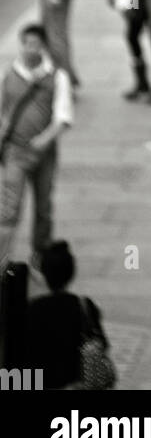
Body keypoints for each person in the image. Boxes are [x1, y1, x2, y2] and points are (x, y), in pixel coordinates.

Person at [0, 24, 73, 270]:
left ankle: (40, 258)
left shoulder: (56, 77)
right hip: (15, 152)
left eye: (36, 44)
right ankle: (2, 260)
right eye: (27, 44)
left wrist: (44, 140)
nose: (32, 49)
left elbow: (63, 116)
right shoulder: (9, 75)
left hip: (44, 155)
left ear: (43, 46)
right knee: (9, 208)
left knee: (43, 207)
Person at [25, 240, 111, 390]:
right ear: (71, 273)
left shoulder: (33, 309)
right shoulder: (83, 306)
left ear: (44, 274)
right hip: (77, 383)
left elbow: (25, 351)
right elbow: (102, 343)